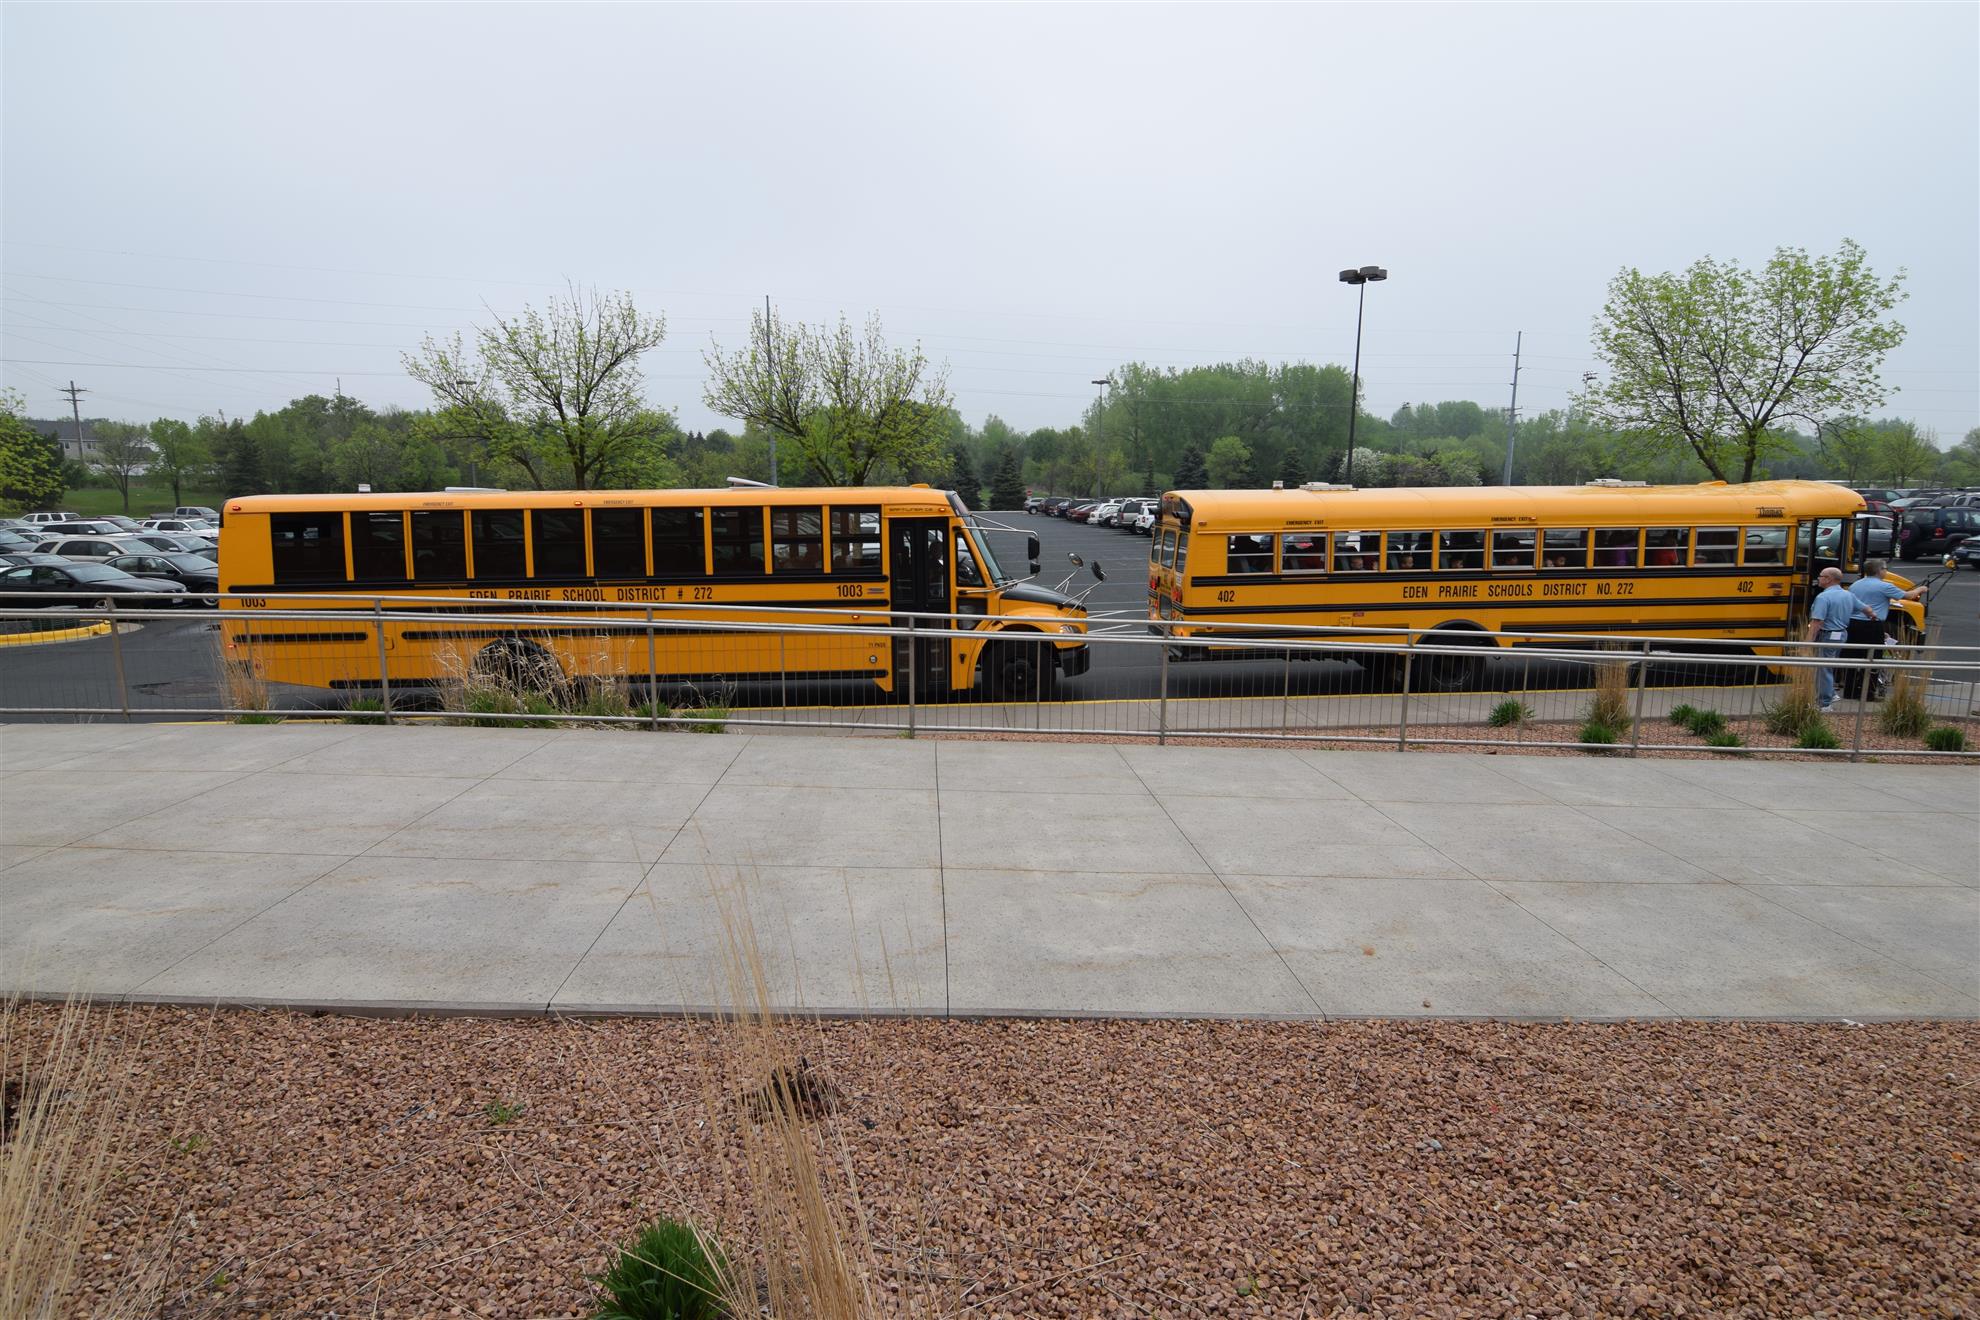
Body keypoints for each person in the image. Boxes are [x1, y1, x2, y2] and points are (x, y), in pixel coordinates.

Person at [1841, 558, 1924, 700]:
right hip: (1872, 624)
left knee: (1853, 658)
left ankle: (1850, 691)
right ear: (1879, 570)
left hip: (1853, 624)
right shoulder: (1884, 586)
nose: (1886, 571)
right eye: (1885, 568)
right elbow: (1909, 596)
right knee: (1873, 658)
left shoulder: (1855, 585)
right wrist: (1921, 589)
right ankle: (1868, 693)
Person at [1806, 566, 1873, 712]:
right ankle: (1830, 694)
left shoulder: (1823, 597)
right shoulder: (1848, 595)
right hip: (1841, 634)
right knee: (1828, 667)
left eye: (1821, 576)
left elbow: (1817, 621)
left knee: (1823, 668)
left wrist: (1808, 642)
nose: (1818, 578)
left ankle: (1825, 702)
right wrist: (1872, 616)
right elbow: (1867, 609)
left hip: (1827, 635)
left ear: (1828, 579)